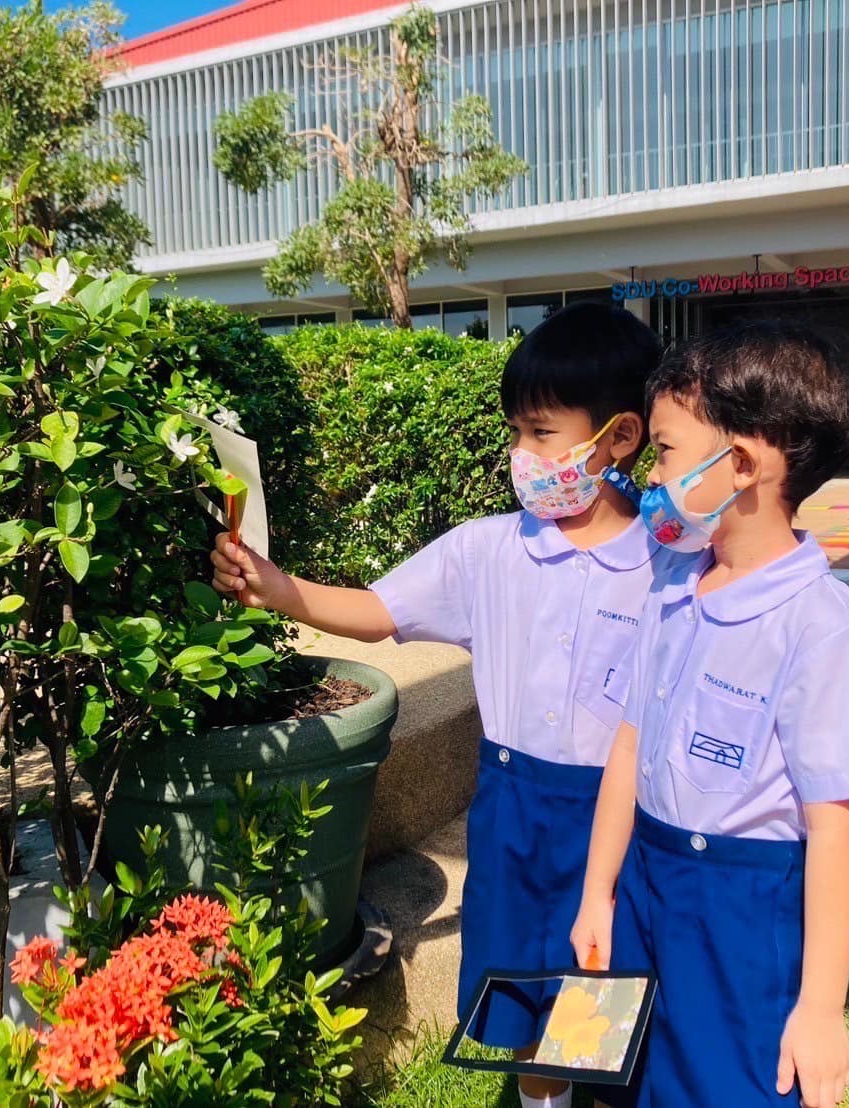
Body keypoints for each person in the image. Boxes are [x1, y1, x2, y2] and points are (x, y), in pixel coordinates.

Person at [211, 301, 665, 1108]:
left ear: (620, 438)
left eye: (540, 433)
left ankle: (594, 1094)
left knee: (598, 985)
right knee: (520, 979)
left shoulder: (666, 568)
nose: (519, 454)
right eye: (514, 433)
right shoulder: (487, 550)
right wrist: (274, 589)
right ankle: (539, 1098)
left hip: (619, 815)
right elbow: (378, 610)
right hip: (513, 812)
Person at [571, 320, 849, 1108]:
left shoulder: (822, 627)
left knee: (722, 1084)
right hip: (646, 878)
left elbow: (834, 828)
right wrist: (597, 892)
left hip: (738, 909)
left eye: (664, 451)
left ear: (743, 464)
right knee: (630, 1073)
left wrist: (820, 1010)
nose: (651, 474)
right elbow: (628, 745)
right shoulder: (673, 585)